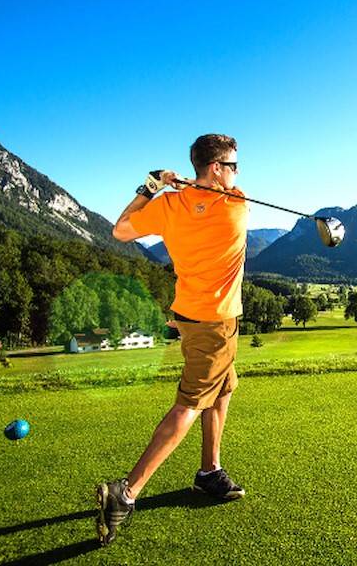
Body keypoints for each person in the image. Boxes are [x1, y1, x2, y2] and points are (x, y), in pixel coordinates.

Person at [95, 134, 248, 546]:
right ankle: (126, 492)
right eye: (233, 166)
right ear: (216, 169)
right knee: (190, 404)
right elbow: (218, 194)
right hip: (216, 324)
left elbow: (120, 230)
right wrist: (191, 187)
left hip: (190, 317)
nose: (237, 174)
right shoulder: (236, 205)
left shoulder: (168, 205)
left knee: (223, 390)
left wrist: (153, 187)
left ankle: (209, 471)